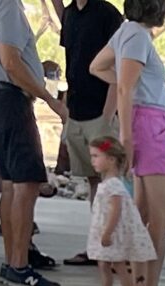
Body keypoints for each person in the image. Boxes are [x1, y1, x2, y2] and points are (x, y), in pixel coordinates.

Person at [0, 0, 70, 286]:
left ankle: (14, 259)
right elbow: (11, 62)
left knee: (11, 182)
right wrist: (50, 99)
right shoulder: (8, 6)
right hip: (9, 98)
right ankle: (19, 265)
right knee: (26, 183)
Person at [92, 0, 165, 286]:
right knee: (161, 215)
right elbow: (125, 88)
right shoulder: (138, 36)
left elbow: (97, 66)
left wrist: (131, 83)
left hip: (147, 122)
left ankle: (137, 285)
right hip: (150, 126)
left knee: (141, 212)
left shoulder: (126, 31)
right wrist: (126, 138)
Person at [53, 0, 118, 202]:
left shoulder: (108, 14)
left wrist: (107, 117)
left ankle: (112, 221)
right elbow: (72, 59)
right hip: (76, 110)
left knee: (110, 178)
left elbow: (118, 67)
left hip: (101, 110)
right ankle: (97, 221)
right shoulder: (69, 14)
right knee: (92, 178)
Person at [82, 131, 150, 286]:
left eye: (96, 156)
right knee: (103, 263)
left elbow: (116, 210)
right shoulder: (107, 183)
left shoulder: (114, 185)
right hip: (105, 231)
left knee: (118, 265)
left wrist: (107, 232)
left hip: (112, 234)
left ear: (111, 160)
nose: (93, 161)